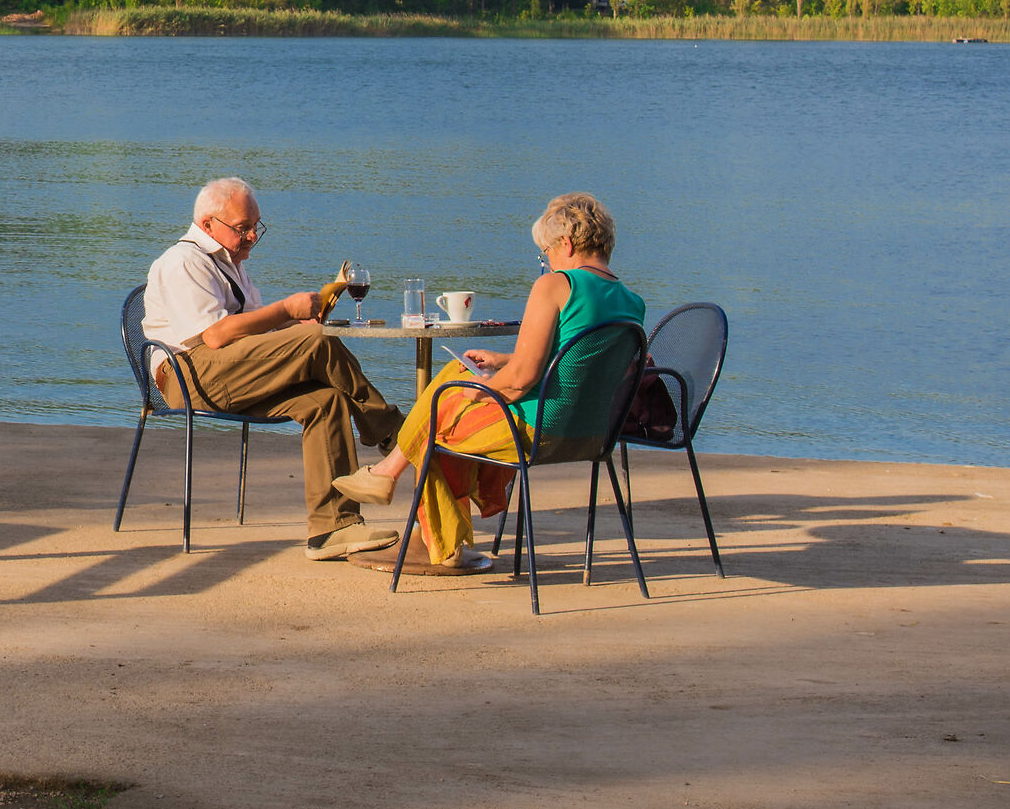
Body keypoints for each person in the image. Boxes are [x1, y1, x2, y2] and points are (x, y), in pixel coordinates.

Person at [333, 192, 646, 567]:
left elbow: (521, 381)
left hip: (535, 432)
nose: (546, 262)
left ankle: (431, 533)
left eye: (545, 252)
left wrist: (479, 389)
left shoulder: (557, 285)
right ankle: (392, 480)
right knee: (457, 381)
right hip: (591, 436)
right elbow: (580, 362)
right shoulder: (631, 302)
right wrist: (502, 361)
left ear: (566, 243)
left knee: (443, 408)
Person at [142, 177, 404, 560]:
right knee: (317, 342)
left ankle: (334, 528)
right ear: (207, 224)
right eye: (242, 228)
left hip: (230, 374)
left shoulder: (229, 264)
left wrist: (294, 323)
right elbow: (214, 335)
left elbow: (251, 327)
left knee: (326, 401)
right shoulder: (183, 261)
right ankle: (392, 433)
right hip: (190, 377)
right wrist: (285, 311)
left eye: (256, 226)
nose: (251, 236)